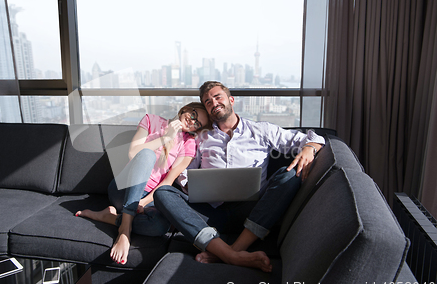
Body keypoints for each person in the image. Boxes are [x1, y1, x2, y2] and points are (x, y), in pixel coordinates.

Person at [154, 81, 325, 272]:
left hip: (252, 211)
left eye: (218, 97)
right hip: (210, 213)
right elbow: (184, 170)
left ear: (231, 100)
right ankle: (230, 255)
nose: (214, 103)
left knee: (289, 176)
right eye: (208, 102)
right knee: (163, 193)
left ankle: (234, 250)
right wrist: (188, 185)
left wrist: (310, 148)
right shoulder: (201, 137)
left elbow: (314, 138)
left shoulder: (261, 130)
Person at [76, 102, 212, 265]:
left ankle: (110, 218)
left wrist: (143, 202)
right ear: (186, 109)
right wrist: (166, 137)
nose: (192, 121)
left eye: (197, 123)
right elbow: (133, 152)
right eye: (193, 114)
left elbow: (167, 183)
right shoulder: (151, 120)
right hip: (123, 189)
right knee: (147, 154)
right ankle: (125, 230)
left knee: (160, 225)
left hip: (150, 197)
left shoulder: (188, 143)